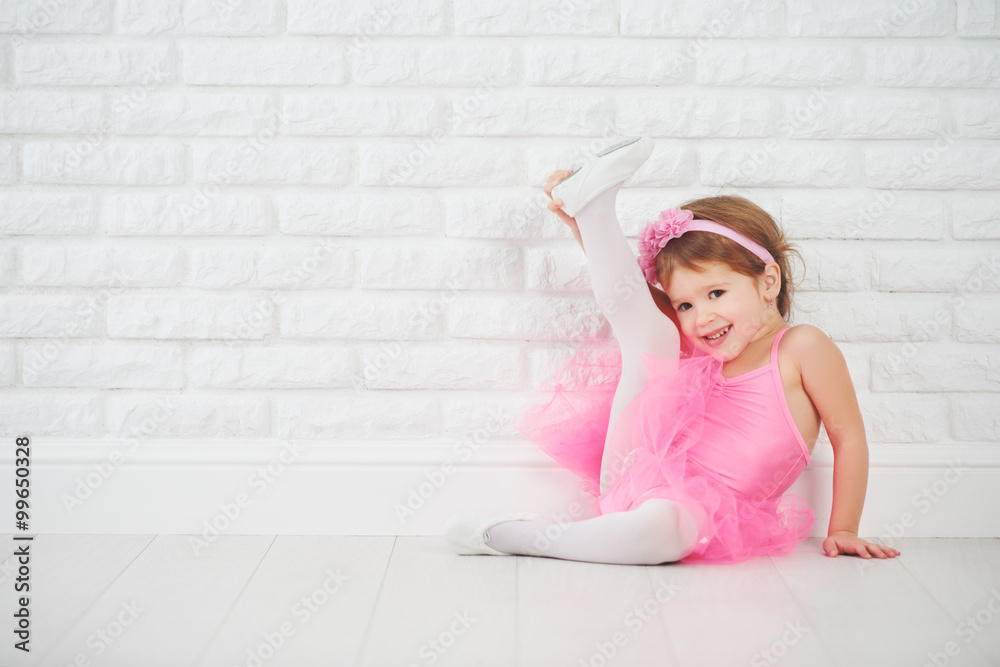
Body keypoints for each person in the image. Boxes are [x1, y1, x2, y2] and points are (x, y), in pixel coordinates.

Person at [443, 137, 901, 565]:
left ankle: (519, 536)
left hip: (692, 518)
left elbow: (849, 437)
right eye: (684, 303)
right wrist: (586, 227)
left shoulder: (802, 347)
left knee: (667, 528)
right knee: (654, 339)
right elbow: (632, 300)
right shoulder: (700, 344)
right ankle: (595, 208)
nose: (700, 318)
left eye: (716, 293)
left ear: (768, 281)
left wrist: (843, 527)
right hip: (636, 470)